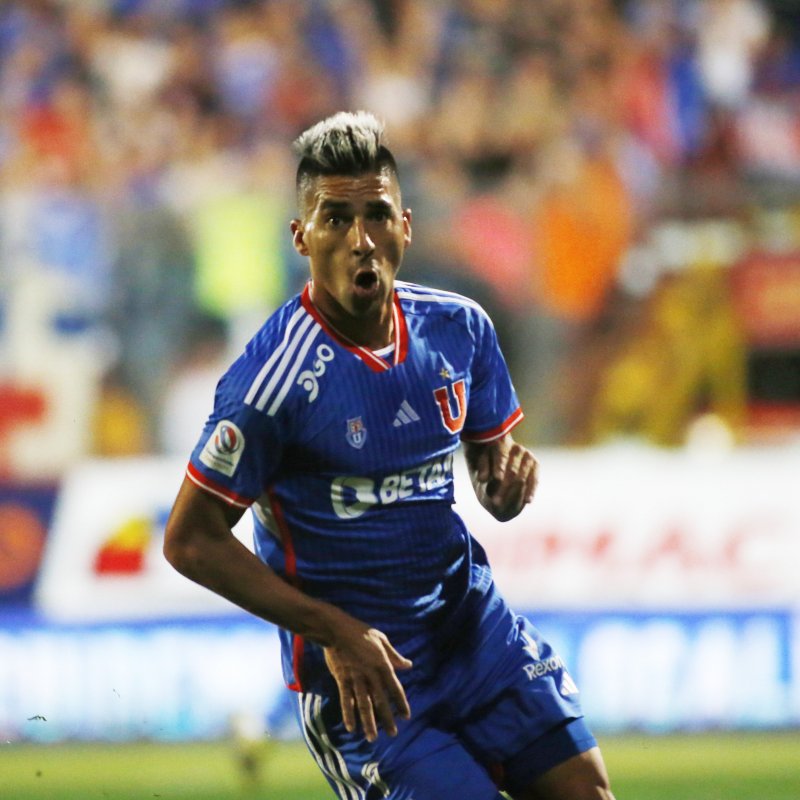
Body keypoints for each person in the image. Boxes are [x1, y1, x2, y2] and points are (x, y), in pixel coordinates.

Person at [164, 111, 615, 800]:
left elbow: (490, 464)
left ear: (405, 226)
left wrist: (502, 488)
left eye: (376, 215)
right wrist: (332, 631)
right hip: (366, 683)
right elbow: (190, 540)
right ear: (301, 236)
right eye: (335, 219)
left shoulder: (460, 329)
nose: (360, 240)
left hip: (476, 637)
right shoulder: (271, 383)